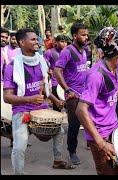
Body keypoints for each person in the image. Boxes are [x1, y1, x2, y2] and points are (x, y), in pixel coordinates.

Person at [76, 27, 118, 175]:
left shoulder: (115, 67)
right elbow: (80, 110)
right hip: (100, 135)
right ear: (117, 48)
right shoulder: (96, 75)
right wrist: (101, 143)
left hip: (113, 130)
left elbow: (111, 90)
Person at [3, 28, 72, 175]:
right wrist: (29, 99)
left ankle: (57, 160)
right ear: (22, 42)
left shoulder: (42, 61)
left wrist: (55, 100)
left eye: (37, 39)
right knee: (19, 146)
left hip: (41, 108)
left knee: (59, 131)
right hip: (22, 111)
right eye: (33, 39)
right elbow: (7, 97)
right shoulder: (12, 67)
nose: (37, 42)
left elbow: (45, 89)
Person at [54, 22, 89, 165]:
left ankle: (92, 143)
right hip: (73, 95)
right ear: (75, 36)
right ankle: (72, 151)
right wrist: (67, 90)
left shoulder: (85, 50)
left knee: (91, 120)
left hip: (85, 94)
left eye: (87, 34)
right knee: (74, 125)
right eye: (83, 34)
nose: (86, 37)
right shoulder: (67, 51)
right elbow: (57, 71)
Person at [44, 34, 69, 111]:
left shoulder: (68, 52)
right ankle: (57, 122)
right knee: (57, 105)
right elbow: (44, 64)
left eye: (65, 42)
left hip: (67, 82)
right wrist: (48, 70)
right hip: (55, 82)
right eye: (62, 41)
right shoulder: (49, 52)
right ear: (56, 42)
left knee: (69, 104)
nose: (64, 44)